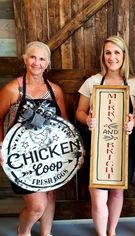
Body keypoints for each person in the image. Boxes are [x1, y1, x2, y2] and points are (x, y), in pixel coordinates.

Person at [76, 35, 135, 236]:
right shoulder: (92, 82)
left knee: (117, 191)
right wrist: (87, 120)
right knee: (98, 198)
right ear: (103, 55)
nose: (112, 57)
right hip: (97, 147)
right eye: (108, 52)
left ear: (124, 55)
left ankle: (112, 231)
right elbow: (79, 112)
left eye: (117, 52)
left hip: (124, 146)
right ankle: (101, 234)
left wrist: (133, 122)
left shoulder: (134, 84)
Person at [0, 41, 67, 236]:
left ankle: (46, 233)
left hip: (50, 154)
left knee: (50, 195)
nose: (36, 62)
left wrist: (72, 151)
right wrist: (0, 145)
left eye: (42, 59)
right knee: (37, 205)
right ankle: (24, 230)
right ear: (25, 59)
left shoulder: (55, 91)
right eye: (32, 57)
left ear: (48, 64)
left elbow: (65, 125)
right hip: (20, 158)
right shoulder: (13, 89)